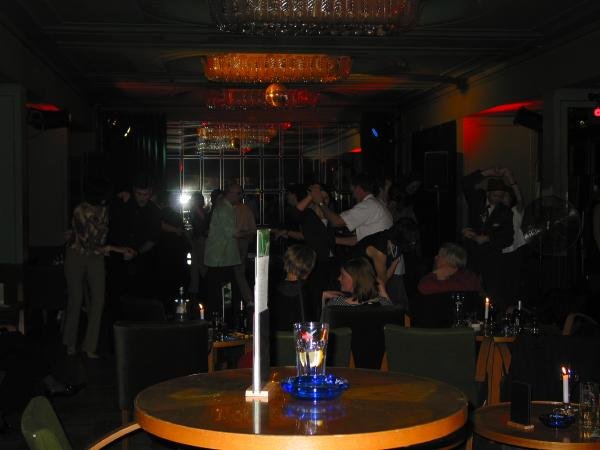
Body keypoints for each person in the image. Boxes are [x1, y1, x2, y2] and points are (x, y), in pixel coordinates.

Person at [63, 179, 111, 358]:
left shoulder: (104, 209)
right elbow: (86, 240)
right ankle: (70, 342)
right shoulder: (79, 210)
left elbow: (102, 235)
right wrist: (108, 248)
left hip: (96, 256)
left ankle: (90, 346)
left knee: (99, 299)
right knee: (76, 299)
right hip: (76, 254)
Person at [462, 168, 514, 312]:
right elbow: (465, 183)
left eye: (501, 196)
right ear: (488, 193)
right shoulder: (477, 200)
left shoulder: (505, 212)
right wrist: (488, 172)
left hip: (492, 258)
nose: (497, 199)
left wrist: (488, 238)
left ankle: (494, 319)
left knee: (493, 293)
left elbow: (508, 238)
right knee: (469, 290)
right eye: (495, 195)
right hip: (472, 255)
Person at [107, 173, 161, 300]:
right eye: (139, 194)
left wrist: (136, 252)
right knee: (117, 298)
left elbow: (153, 239)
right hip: (118, 260)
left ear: (150, 192)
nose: (142, 198)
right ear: (134, 191)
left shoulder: (154, 211)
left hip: (143, 261)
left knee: (141, 298)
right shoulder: (124, 203)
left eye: (145, 194)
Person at [310, 173, 393, 244]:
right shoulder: (375, 203)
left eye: (352, 190)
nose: (353, 195)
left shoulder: (368, 205)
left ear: (358, 188)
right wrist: (332, 240)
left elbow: (337, 221)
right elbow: (358, 239)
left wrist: (320, 203)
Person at [204, 184, 241, 319]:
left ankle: (221, 318)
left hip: (221, 258)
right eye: (239, 193)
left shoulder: (225, 207)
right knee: (223, 292)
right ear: (230, 193)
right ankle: (223, 319)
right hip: (221, 258)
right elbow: (232, 233)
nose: (240, 196)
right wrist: (252, 231)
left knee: (221, 292)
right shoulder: (224, 209)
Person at [270, 245, 316, 332]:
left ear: (285, 262)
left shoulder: (272, 290)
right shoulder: (310, 291)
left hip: (278, 340)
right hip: (302, 339)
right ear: (309, 269)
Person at [499, 168, 526, 305]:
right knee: (501, 284)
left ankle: (513, 309)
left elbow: (520, 199)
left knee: (514, 284)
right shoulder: (495, 213)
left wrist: (511, 180)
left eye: (505, 195)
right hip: (500, 252)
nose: (502, 198)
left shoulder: (516, 211)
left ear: (510, 198)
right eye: (501, 196)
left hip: (515, 251)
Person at [322, 258, 391, 309]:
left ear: (355, 279)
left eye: (342, 275)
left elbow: (324, 322)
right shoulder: (382, 304)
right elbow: (393, 319)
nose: (339, 278)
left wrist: (323, 298)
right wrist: (384, 295)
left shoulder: (337, 304)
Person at [417, 242, 482, 295]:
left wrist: (434, 274)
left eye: (439, 255)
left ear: (447, 259)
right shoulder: (469, 276)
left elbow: (424, 287)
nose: (436, 257)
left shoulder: (468, 278)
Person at [229, 183, 256, 304]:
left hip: (236, 243)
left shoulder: (229, 209)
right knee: (239, 271)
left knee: (237, 272)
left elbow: (252, 230)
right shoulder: (246, 209)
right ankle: (242, 298)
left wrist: (240, 234)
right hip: (242, 242)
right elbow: (253, 229)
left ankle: (246, 298)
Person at [188, 192, 209, 294]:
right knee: (197, 264)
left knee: (199, 264)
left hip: (200, 239)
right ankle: (196, 288)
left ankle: (197, 288)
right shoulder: (197, 210)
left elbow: (204, 222)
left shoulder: (197, 209)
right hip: (199, 238)